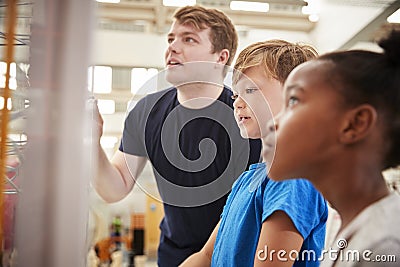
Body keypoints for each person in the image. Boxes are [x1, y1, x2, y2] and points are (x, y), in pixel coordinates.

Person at [92, 5, 261, 266]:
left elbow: (250, 206)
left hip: (232, 255)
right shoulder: (146, 112)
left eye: (189, 39)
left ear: (220, 57)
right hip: (173, 256)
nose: (173, 47)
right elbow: (114, 188)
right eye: (171, 38)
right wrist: (93, 143)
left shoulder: (245, 116)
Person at [180, 40, 328, 266]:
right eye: (235, 95)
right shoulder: (248, 180)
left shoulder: (293, 178)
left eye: (250, 90)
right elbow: (207, 256)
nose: (237, 103)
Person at [265, 30, 400, 266]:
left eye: (294, 101)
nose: (273, 121)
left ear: (355, 124)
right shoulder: (350, 226)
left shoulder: (383, 247)